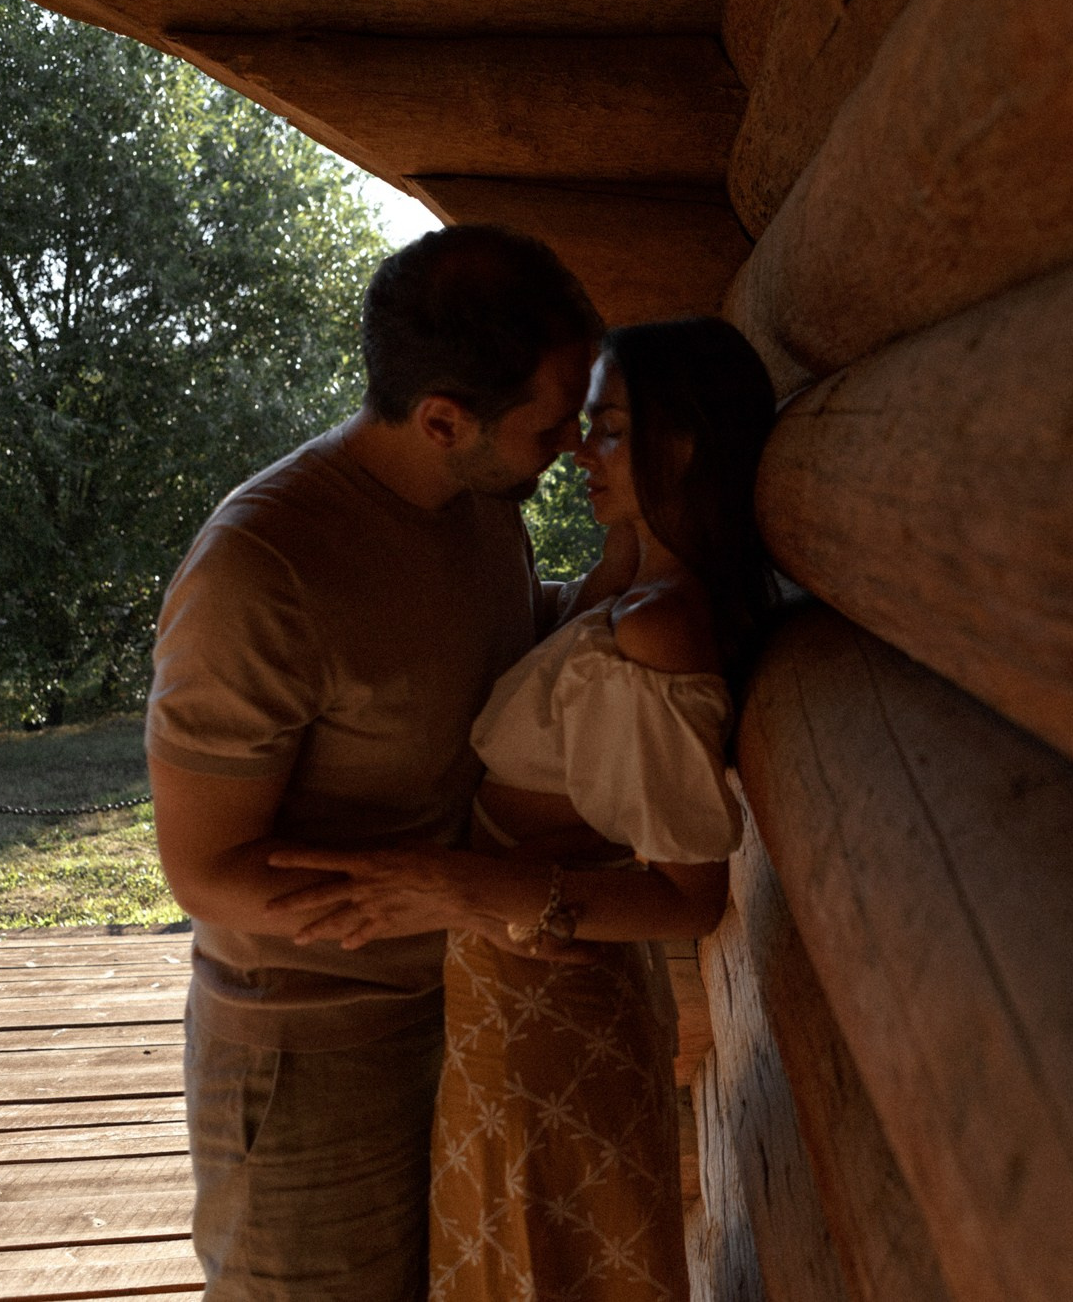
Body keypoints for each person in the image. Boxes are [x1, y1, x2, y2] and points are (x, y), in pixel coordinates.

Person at [146, 225, 635, 1300]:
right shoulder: (260, 568)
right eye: (553, 426)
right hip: (305, 1053)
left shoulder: (474, 501)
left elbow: (486, 651)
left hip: (457, 1001)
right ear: (443, 420)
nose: (573, 447)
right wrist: (455, 894)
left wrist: (636, 573)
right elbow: (207, 873)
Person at [264, 316, 781, 1302]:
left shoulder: (661, 629)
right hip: (507, 982)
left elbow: (685, 896)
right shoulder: (622, 583)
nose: (580, 451)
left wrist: (454, 885)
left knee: (545, 1260)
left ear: (686, 444)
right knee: (516, 1252)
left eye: (612, 430)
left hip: (549, 1004)